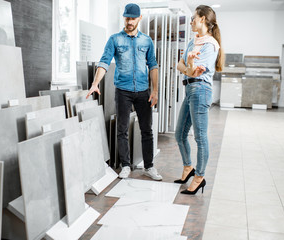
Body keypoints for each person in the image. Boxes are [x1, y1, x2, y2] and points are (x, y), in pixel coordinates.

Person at [86, 3, 162, 181]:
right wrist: (95, 83)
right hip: (123, 91)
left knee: (147, 130)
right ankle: (125, 165)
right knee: (122, 130)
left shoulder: (147, 41)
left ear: (139, 19)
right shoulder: (115, 39)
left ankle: (149, 166)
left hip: (143, 91)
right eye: (127, 18)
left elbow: (153, 66)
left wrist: (155, 90)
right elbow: (104, 62)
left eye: (132, 19)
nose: (129, 22)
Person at [174, 5, 224, 194]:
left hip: (201, 90)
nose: (191, 21)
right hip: (190, 90)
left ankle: (200, 176)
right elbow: (179, 64)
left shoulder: (210, 45)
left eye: (194, 17)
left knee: (200, 137)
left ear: (202, 19)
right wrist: (188, 64)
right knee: (179, 134)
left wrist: (189, 64)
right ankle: (188, 167)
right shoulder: (194, 40)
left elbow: (191, 69)